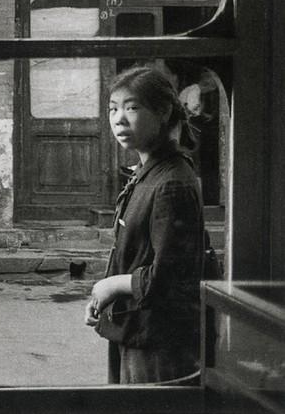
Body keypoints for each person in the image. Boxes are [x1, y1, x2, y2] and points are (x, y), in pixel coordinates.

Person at [85, 65, 205, 384]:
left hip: (159, 341)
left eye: (132, 107)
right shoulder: (147, 173)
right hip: (135, 327)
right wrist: (104, 299)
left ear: (163, 112)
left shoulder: (170, 183)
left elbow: (170, 276)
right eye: (113, 109)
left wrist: (110, 285)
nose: (119, 118)